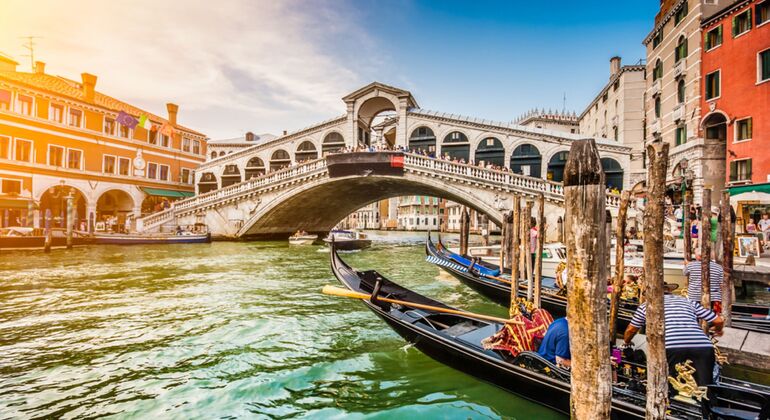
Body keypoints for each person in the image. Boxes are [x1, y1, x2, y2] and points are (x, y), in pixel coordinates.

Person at [623, 286, 724, 386]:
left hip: (672, 346)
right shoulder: (688, 302)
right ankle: (708, 401)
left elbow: (631, 330)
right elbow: (718, 320)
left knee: (673, 382)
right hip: (703, 346)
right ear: (670, 292)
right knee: (705, 384)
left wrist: (626, 341)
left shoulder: (647, 306)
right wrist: (718, 330)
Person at [683, 248, 724, 313]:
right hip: (714, 297)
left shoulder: (690, 265)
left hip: (694, 297)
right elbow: (722, 284)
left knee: (695, 314)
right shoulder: (719, 267)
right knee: (713, 316)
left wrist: (687, 265)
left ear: (698, 256)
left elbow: (685, 273)